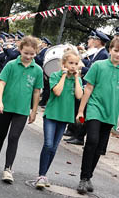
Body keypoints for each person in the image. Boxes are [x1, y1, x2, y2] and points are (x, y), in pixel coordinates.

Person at [75, 36, 119, 194]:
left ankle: (88, 176)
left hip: (111, 113)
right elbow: (88, 88)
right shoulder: (98, 66)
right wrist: (81, 110)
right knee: (92, 141)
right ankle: (83, 178)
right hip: (95, 108)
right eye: (116, 51)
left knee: (99, 148)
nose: (118, 54)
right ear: (110, 50)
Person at [0, 36, 43, 184]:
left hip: (22, 110)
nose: (28, 56)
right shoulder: (11, 65)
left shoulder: (37, 70)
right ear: (20, 50)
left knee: (14, 137)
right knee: (1, 134)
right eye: (26, 53)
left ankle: (8, 169)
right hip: (6, 106)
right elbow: (1, 83)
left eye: (32, 54)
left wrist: (34, 111)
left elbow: (36, 91)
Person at [35, 50, 83, 189]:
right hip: (51, 114)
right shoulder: (55, 75)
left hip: (65, 116)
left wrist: (76, 78)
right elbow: (57, 91)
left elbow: (79, 96)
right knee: (48, 144)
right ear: (63, 64)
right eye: (70, 63)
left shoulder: (77, 79)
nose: (73, 66)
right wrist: (63, 75)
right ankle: (41, 175)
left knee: (54, 147)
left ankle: (43, 175)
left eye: (76, 63)